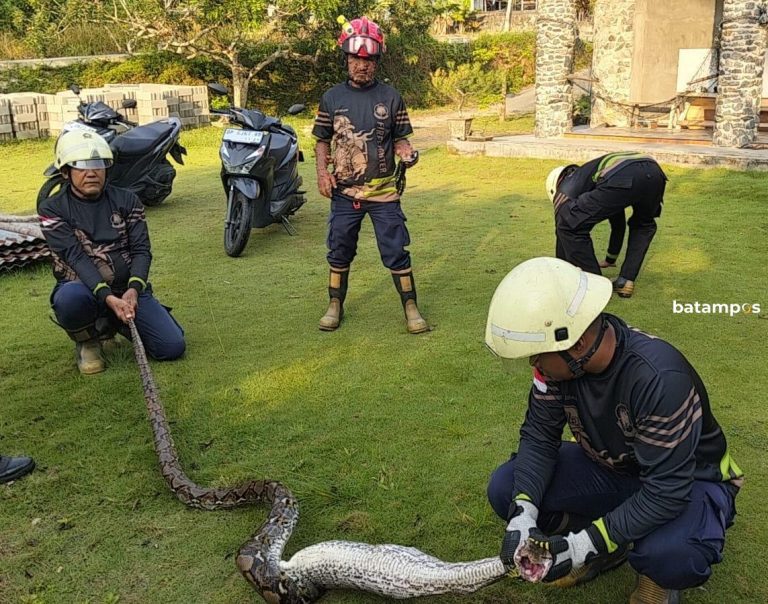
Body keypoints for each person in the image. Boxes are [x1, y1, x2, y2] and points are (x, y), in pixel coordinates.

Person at [484, 257, 742, 604]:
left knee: (672, 554)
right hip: (616, 470)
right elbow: (539, 437)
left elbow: (666, 492)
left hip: (689, 481)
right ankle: (609, 548)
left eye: (537, 354)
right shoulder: (560, 368)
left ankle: (652, 576)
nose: (534, 363)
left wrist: (581, 545)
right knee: (507, 488)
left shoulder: (658, 378)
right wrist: (524, 512)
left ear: (576, 344)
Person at [312, 15, 428, 334]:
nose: (361, 66)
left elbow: (400, 138)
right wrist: (322, 173)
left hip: (383, 192)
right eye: (355, 59)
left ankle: (411, 307)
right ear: (346, 59)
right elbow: (321, 140)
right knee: (339, 248)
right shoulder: (331, 98)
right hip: (344, 193)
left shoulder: (391, 97)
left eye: (368, 60)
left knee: (396, 249)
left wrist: (406, 153)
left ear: (376, 62)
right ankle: (334, 305)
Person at [38, 130, 185, 375]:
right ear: (65, 171)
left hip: (128, 289)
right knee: (70, 299)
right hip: (83, 287)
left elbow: (141, 250)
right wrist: (106, 296)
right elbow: (75, 256)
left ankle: (116, 322)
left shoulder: (128, 200)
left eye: (98, 164)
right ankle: (88, 340)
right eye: (81, 165)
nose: (91, 172)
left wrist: (134, 289)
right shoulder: (52, 209)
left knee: (171, 347)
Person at [546, 152, 667, 298]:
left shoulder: (564, 188)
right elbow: (618, 223)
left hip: (623, 173)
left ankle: (595, 286)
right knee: (643, 225)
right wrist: (610, 258)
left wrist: (561, 271)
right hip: (655, 173)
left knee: (568, 226)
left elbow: (563, 229)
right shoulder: (589, 176)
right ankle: (625, 281)